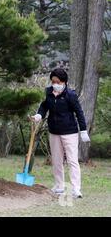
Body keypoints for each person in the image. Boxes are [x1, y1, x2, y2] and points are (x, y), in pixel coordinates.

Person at [32, 68, 90, 198]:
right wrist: (39, 115)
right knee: (57, 160)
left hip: (70, 132)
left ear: (64, 82)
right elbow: (44, 106)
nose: (55, 84)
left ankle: (76, 189)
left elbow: (79, 112)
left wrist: (83, 130)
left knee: (72, 161)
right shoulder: (49, 92)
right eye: (53, 81)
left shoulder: (70, 95)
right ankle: (59, 186)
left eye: (57, 82)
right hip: (54, 132)